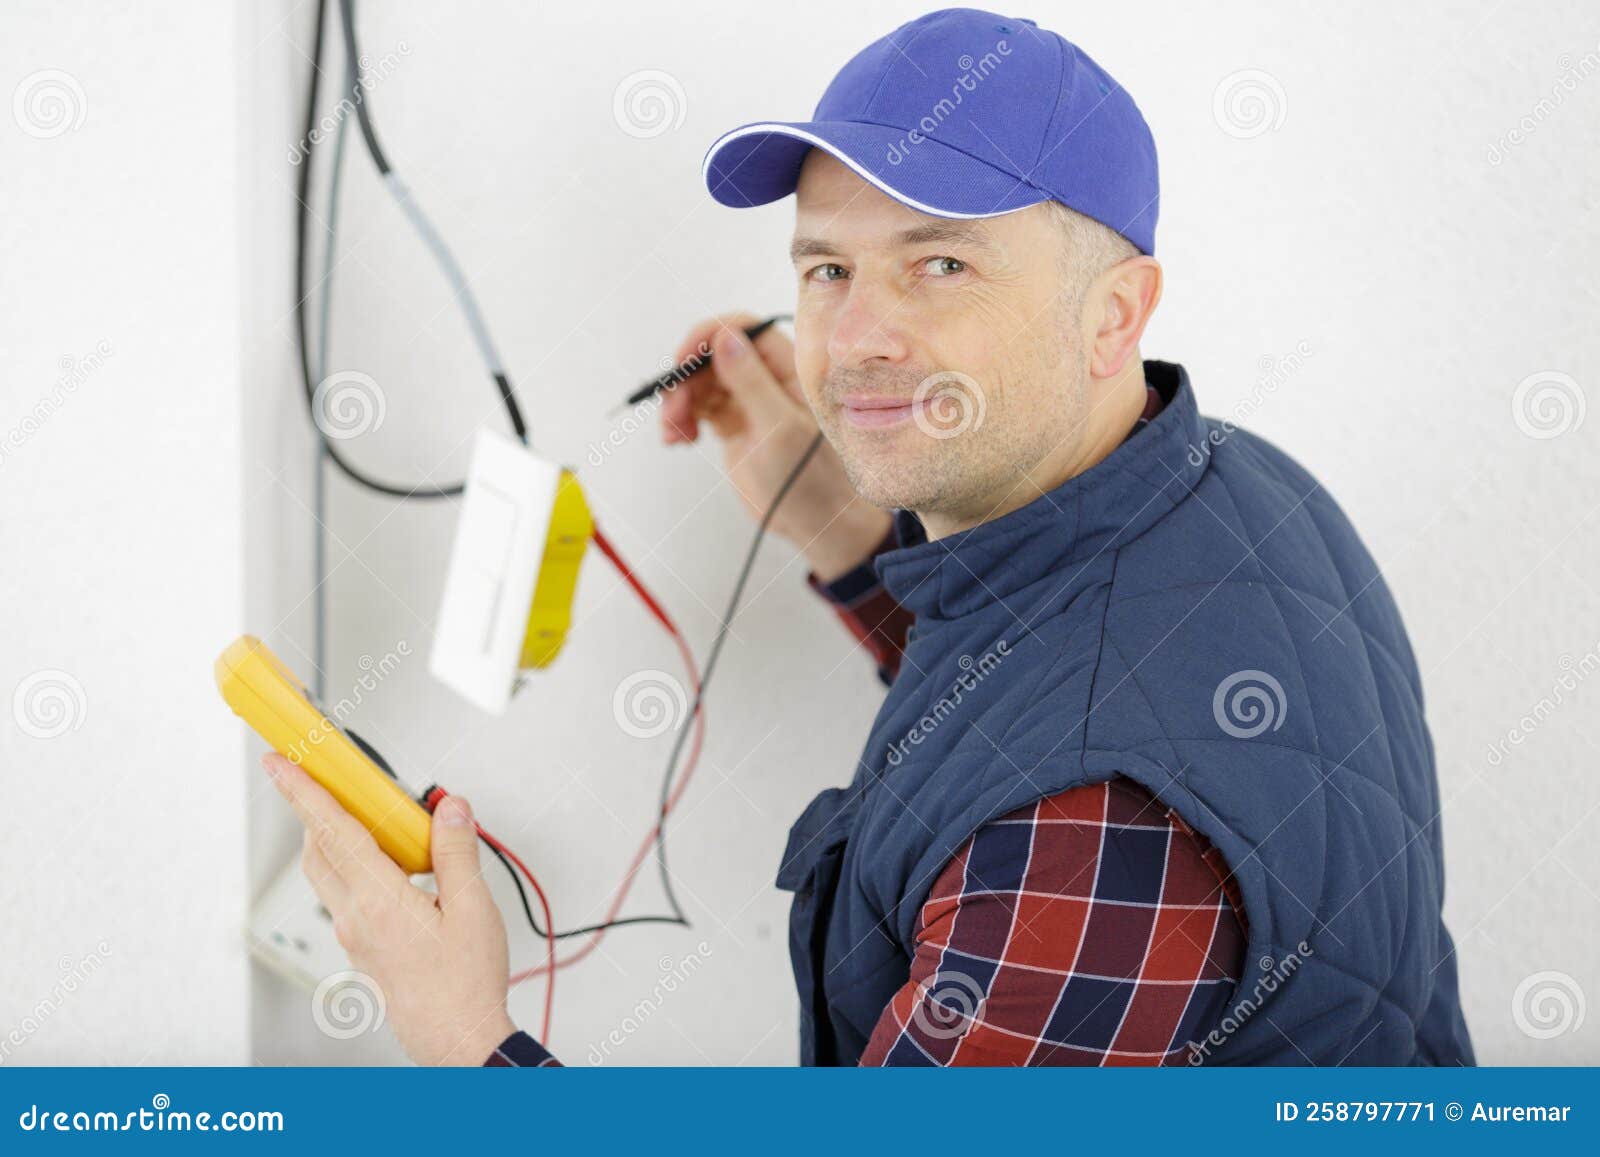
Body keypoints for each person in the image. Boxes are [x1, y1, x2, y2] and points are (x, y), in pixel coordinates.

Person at [264, 7, 1474, 1067]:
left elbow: (1069, 756)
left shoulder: (1088, 846)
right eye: (828, 267)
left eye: (940, 263)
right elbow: (1046, 675)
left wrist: (466, 1037)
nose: (856, 338)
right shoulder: (1234, 483)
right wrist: (844, 536)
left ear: (1115, 314)